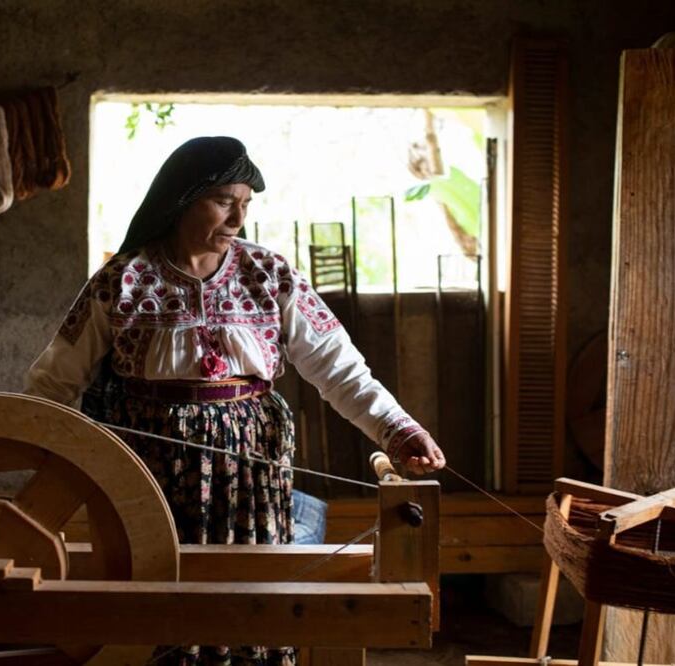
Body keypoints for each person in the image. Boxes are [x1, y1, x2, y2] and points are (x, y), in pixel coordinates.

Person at [24, 136, 444, 665]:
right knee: (154, 597)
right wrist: (31, 473)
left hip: (251, 469)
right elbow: (56, 381)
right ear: (182, 199)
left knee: (253, 589)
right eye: (224, 201)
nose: (237, 218)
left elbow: (338, 368)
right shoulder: (123, 280)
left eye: (246, 204)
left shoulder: (268, 275)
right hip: (148, 469)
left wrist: (398, 429)